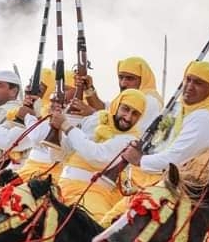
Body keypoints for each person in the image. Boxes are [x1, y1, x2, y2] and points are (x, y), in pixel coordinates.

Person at [110, 61, 209, 226]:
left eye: (198, 83)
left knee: (117, 225)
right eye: (188, 79)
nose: (190, 86)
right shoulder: (179, 108)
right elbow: (162, 144)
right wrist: (144, 149)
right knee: (110, 221)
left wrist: (139, 160)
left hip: (187, 195)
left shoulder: (205, 118)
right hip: (162, 185)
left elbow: (174, 158)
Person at [52, 89, 146, 222]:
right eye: (125, 109)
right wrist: (56, 130)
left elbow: (97, 156)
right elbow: (63, 152)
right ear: (116, 106)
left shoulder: (131, 140)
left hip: (94, 194)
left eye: (135, 114)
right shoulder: (95, 119)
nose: (128, 117)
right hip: (61, 186)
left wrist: (66, 126)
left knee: (90, 227)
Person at [73, 56, 163, 132]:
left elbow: (126, 129)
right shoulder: (129, 98)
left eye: (130, 78)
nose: (123, 83)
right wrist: (89, 89)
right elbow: (106, 109)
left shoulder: (149, 101)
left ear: (143, 79)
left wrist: (93, 114)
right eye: (121, 77)